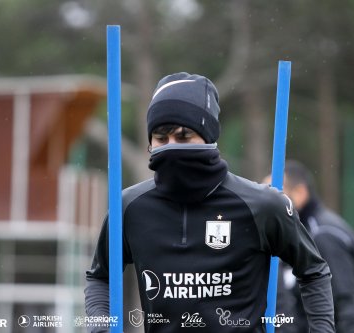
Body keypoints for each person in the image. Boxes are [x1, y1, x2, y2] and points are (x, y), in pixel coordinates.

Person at [85, 72, 335, 333]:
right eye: (160, 138)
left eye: (183, 137)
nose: (171, 147)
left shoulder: (263, 204)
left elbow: (313, 271)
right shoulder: (129, 207)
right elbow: (100, 277)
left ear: (209, 137)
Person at [264, 160, 354, 333]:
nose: (266, 202)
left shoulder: (323, 236)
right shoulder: (298, 234)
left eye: (275, 194)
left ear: (300, 193)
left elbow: (351, 309)